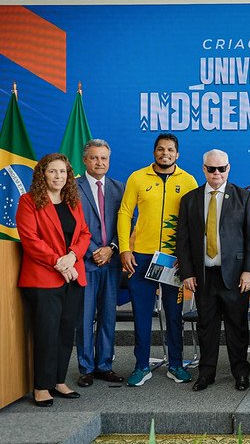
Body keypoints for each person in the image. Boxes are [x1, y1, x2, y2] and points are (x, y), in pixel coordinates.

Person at [175, 149, 250, 392]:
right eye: (211, 168)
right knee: (206, 327)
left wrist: (248, 271)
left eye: (221, 168)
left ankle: (241, 373)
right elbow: (183, 240)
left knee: (238, 327)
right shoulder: (190, 199)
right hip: (203, 277)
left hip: (235, 277)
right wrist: (188, 273)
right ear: (203, 169)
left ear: (228, 168)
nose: (216, 173)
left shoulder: (244, 197)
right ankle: (206, 374)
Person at [117, 133, 198, 387]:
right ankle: (141, 365)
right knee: (141, 314)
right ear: (154, 152)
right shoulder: (137, 177)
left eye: (171, 150)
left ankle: (176, 364)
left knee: (174, 315)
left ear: (178, 154)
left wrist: (189, 259)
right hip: (140, 257)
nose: (166, 153)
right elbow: (124, 213)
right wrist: (124, 249)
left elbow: (195, 222)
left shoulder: (188, 181)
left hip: (173, 260)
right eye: (161, 149)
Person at [17, 153, 92, 407]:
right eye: (53, 172)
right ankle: (41, 386)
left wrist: (72, 257)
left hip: (73, 276)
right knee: (47, 333)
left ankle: (59, 380)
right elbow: (30, 240)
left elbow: (84, 233)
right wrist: (59, 264)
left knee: (65, 332)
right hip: (43, 279)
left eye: (63, 172)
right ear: (42, 174)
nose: (59, 176)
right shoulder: (28, 202)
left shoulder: (73, 201)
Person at [75, 139, 125, 387]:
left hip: (112, 262)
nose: (99, 162)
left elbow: (127, 224)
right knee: (84, 318)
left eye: (104, 158)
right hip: (85, 261)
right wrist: (95, 251)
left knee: (107, 316)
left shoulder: (119, 188)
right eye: (94, 157)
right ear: (85, 160)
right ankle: (86, 368)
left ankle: (104, 365)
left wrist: (112, 249)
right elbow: (72, 227)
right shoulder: (72, 188)